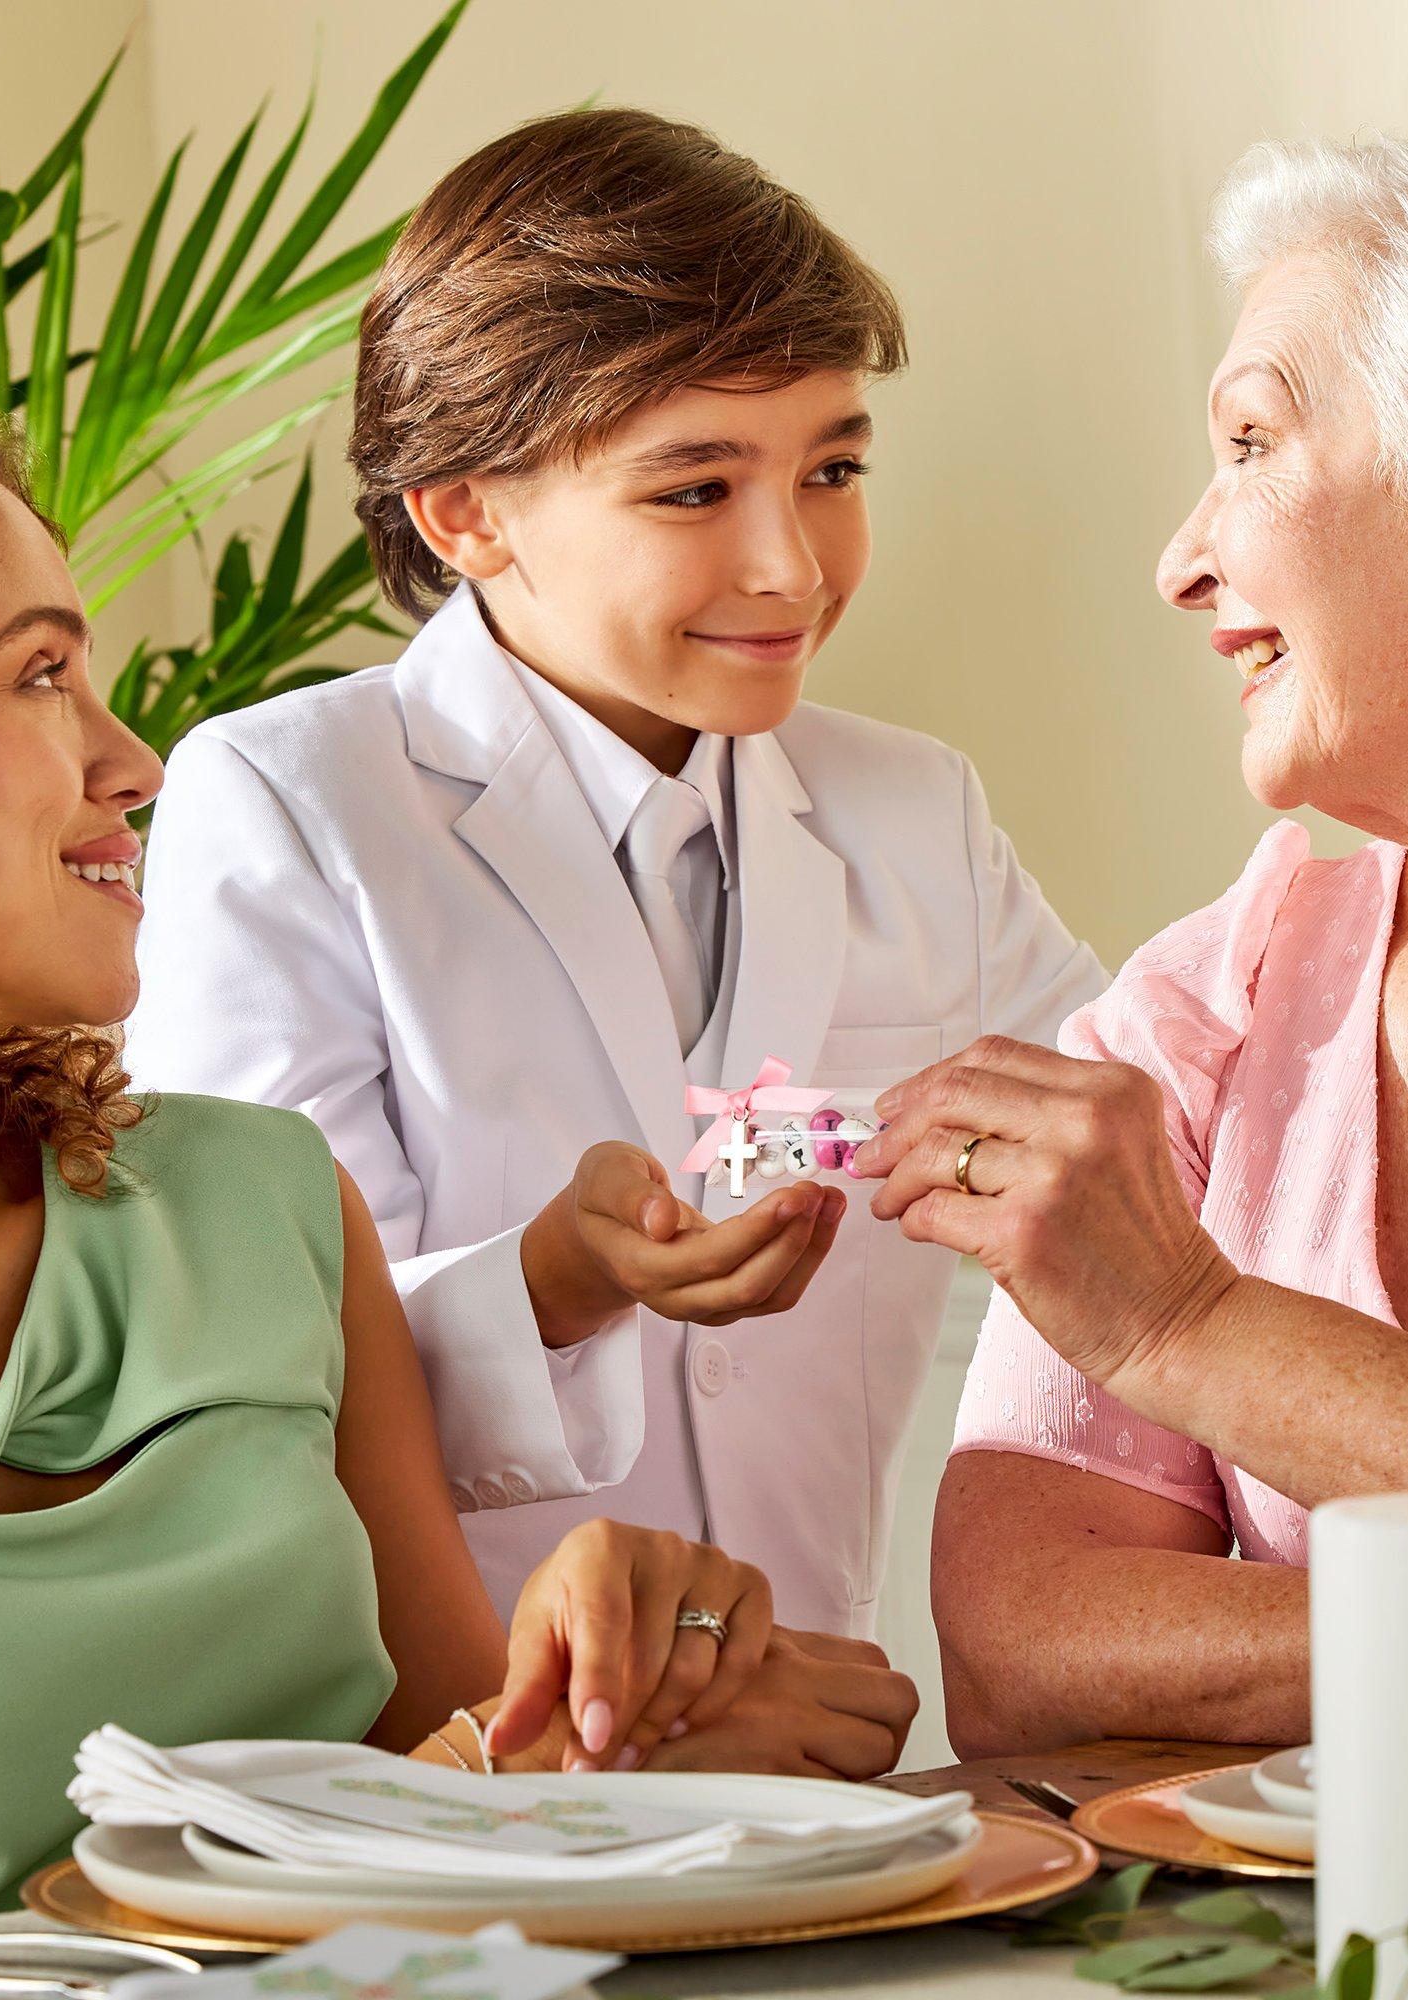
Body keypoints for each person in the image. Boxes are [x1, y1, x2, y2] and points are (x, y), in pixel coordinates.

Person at [0, 372, 916, 1950]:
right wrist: (477, 1779)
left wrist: (629, 1695)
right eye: (41, 677)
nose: (130, 758)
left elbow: (486, 1834)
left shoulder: (263, 1204)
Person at [122, 107, 1107, 1639]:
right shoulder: (286, 803)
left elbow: (1151, 1147)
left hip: (831, 1728)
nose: (792, 563)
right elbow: (262, 1372)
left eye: (833, 468)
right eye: (695, 489)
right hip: (472, 1757)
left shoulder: (916, 810)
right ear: (466, 510)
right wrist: (552, 1285)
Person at [856, 98, 1408, 1755]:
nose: (1182, 559)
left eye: (1251, 444)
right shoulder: (1211, 1014)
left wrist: (1195, 1331)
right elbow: (1027, 1646)